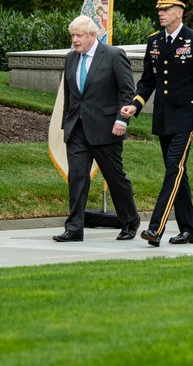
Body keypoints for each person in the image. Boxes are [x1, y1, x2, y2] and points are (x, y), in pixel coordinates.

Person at [120, 0, 193, 247]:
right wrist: (135, 105)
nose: (160, 13)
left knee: (174, 169)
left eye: (165, 9)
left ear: (179, 12)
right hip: (164, 118)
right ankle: (190, 230)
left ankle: (155, 228)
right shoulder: (154, 41)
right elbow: (148, 80)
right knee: (177, 174)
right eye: (159, 10)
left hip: (186, 118)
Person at [54, 15, 140, 243]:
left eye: (79, 35)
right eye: (72, 35)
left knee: (115, 178)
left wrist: (122, 121)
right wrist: (66, 124)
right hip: (77, 130)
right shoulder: (71, 58)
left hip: (106, 129)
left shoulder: (113, 55)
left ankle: (130, 221)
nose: (74, 40)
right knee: (77, 178)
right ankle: (74, 229)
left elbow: (126, 91)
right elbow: (69, 96)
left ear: (93, 36)